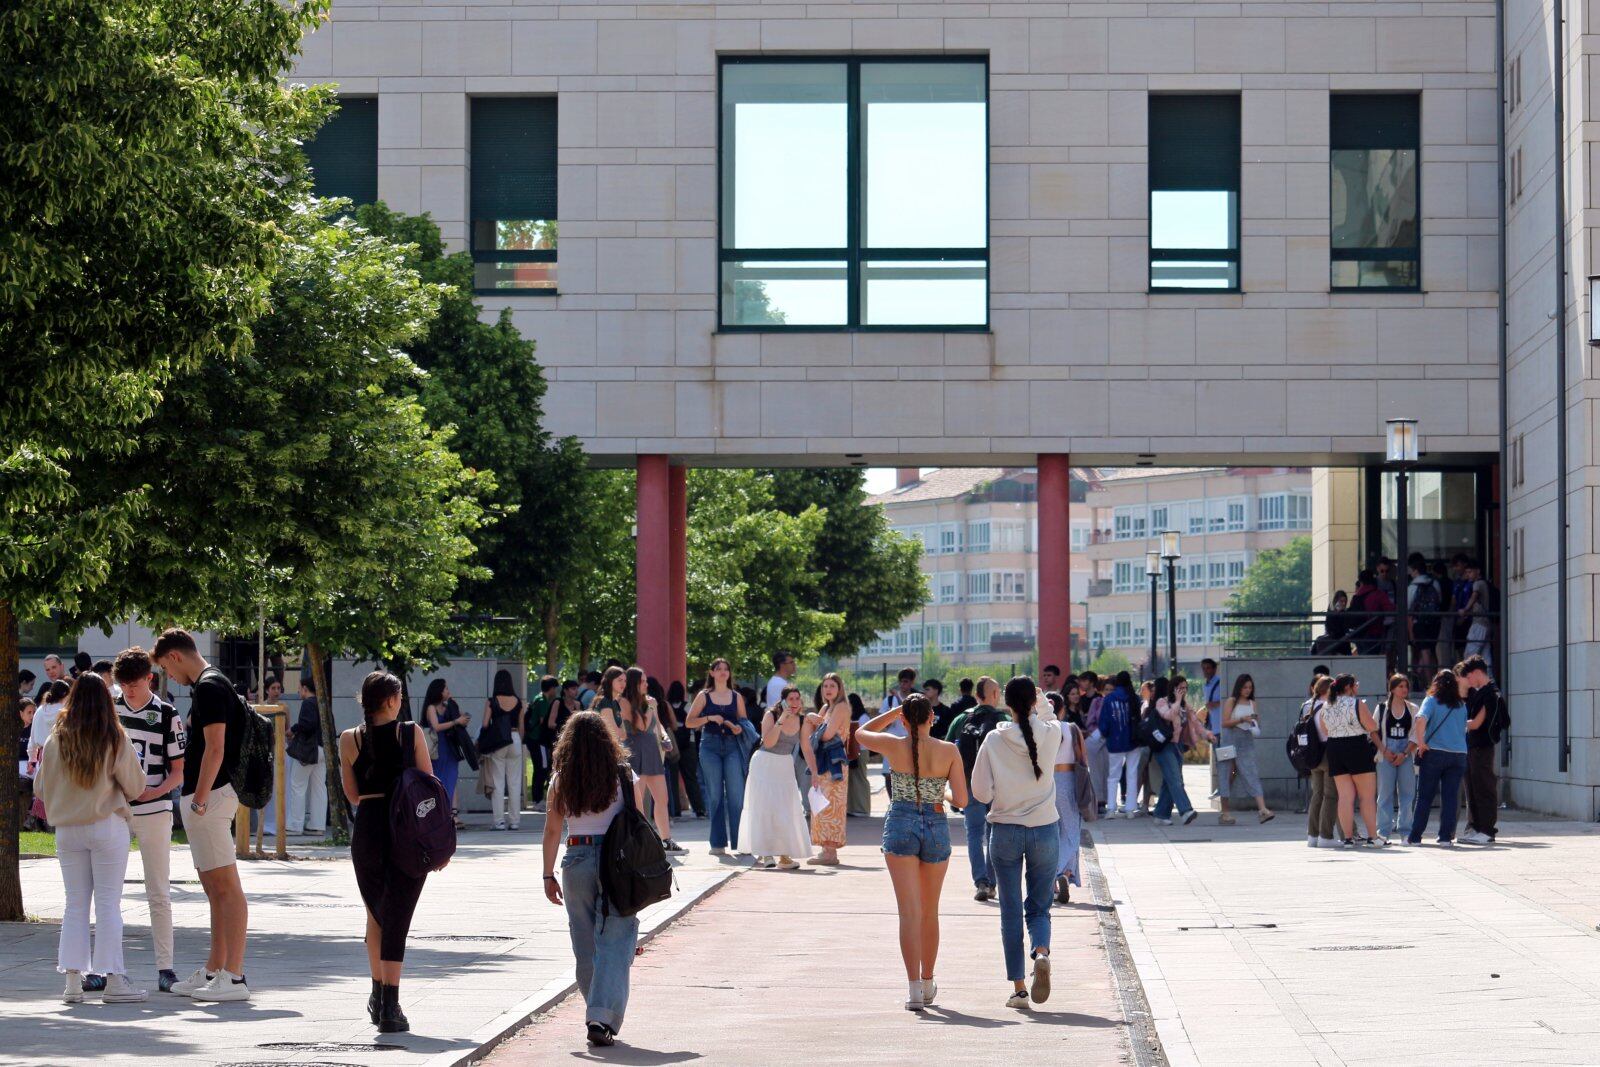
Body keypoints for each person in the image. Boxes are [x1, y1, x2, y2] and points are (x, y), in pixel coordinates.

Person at [34, 674, 148, 1004]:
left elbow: (41, 786)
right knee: (109, 903)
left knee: (75, 904)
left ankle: (72, 982)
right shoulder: (114, 735)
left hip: (68, 828)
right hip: (106, 823)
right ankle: (114, 979)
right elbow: (136, 786)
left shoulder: (57, 737)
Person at [152, 628, 252, 1002]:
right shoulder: (212, 685)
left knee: (226, 888)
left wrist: (199, 800)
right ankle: (216, 969)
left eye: (166, 668)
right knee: (215, 889)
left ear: (175, 657)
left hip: (209, 797)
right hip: (207, 796)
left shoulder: (210, 687)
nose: (170, 677)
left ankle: (235, 976)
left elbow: (215, 749)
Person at [338, 670, 436, 1033]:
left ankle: (378, 994)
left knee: (376, 913)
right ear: (393, 700)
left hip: (367, 829)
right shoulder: (410, 732)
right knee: (397, 916)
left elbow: (351, 795)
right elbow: (427, 782)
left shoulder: (349, 739)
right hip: (405, 830)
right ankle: (391, 1006)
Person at [857, 693, 967, 1011]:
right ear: (932, 718)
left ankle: (914, 990)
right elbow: (961, 799)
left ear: (904, 719)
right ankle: (929, 979)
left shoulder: (894, 745)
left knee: (908, 912)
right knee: (930, 912)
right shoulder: (948, 750)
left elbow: (860, 733)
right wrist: (939, 791)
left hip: (901, 820)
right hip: (935, 822)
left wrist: (893, 713)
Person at [542, 711, 645, 1048]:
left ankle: (596, 1013)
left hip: (576, 859)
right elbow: (640, 823)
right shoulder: (624, 775)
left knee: (585, 944)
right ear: (606, 739)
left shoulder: (561, 779)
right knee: (615, 941)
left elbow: (552, 831)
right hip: (617, 862)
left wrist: (547, 873)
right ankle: (599, 1017)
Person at [972, 676, 1062, 1010]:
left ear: (1005, 703)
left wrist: (1000, 795)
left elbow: (980, 791)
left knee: (1009, 910)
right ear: (1033, 702)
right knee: (1039, 906)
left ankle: (1020, 989)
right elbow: (1050, 717)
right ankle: (1041, 951)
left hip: (1005, 830)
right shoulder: (1053, 734)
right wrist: (1041, 702)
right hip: (1044, 828)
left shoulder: (995, 739)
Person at [112, 648, 186, 993]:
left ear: (149, 679)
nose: (128, 691)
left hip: (154, 810)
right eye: (123, 684)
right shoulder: (111, 712)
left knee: (158, 890)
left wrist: (152, 794)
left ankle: (165, 967)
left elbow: (178, 772)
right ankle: (107, 967)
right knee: (108, 890)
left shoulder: (168, 714)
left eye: (134, 684)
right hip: (116, 810)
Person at [738, 687, 818, 869]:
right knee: (765, 807)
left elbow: (806, 748)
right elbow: (769, 742)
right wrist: (781, 719)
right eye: (791, 699)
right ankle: (766, 854)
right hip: (764, 764)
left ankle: (784, 855)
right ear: (783, 701)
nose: (795, 703)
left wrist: (814, 771)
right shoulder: (771, 716)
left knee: (785, 808)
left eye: (798, 699)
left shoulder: (803, 720)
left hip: (784, 766)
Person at [684, 659, 749, 856]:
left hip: (732, 746)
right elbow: (689, 722)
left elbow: (744, 722)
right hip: (710, 746)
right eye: (718, 669)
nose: (722, 672)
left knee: (736, 796)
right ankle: (717, 843)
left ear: (729, 673)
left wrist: (739, 728)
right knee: (715, 795)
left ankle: (741, 843)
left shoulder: (736, 696)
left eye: (726, 669)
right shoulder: (704, 696)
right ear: (711, 673)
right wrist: (708, 718)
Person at [619, 666, 683, 853]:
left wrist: (664, 737)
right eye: (643, 681)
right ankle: (637, 839)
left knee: (661, 798)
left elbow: (657, 724)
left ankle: (666, 839)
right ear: (635, 683)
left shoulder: (648, 702)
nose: (647, 684)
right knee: (637, 800)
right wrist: (651, 707)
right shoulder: (625, 702)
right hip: (635, 750)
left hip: (652, 751)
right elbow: (642, 724)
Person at [953, 676, 1004, 901]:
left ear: (976, 696)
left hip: (969, 782)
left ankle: (980, 881)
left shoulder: (961, 719)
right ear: (994, 695)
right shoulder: (1004, 720)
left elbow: (949, 751)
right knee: (993, 832)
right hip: (997, 785)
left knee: (973, 833)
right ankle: (992, 883)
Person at [1317, 674, 1383, 846]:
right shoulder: (1356, 703)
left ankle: (1347, 838)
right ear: (1349, 687)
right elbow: (1372, 726)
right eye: (1356, 684)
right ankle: (1372, 837)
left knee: (1345, 797)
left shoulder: (1326, 705)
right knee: (1366, 796)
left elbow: (1325, 730)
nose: (1357, 687)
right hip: (1356, 747)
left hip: (1334, 749)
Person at [1407, 668, 1471, 847]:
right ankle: (1445, 838)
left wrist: (1421, 743)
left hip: (1435, 752)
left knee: (1425, 797)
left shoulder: (1432, 700)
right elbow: (1463, 729)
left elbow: (1420, 720)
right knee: (1450, 797)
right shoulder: (1461, 705)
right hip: (1458, 755)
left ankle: (1415, 837)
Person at [1460, 655, 1506, 845]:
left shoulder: (1491, 693)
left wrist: (1459, 723)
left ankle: (1487, 830)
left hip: (1483, 747)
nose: (1468, 681)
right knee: (1472, 787)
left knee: (1484, 787)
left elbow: (1478, 723)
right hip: (1472, 746)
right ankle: (1477, 827)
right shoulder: (1478, 693)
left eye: (1469, 676)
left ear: (1477, 672)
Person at [1216, 674, 1273, 825]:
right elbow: (1224, 723)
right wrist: (1242, 719)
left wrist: (1254, 723)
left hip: (1246, 740)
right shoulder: (1231, 701)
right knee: (1226, 774)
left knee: (1251, 772)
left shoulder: (1252, 703)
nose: (1247, 690)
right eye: (1245, 687)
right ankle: (1225, 812)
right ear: (1239, 687)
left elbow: (1255, 721)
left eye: (1250, 687)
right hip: (1229, 740)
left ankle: (1262, 809)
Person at [807, 673, 852, 864]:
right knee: (820, 803)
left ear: (840, 688)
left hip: (835, 760)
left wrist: (814, 721)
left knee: (833, 805)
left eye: (832, 686)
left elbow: (826, 735)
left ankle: (830, 852)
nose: (828, 689)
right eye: (825, 686)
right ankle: (826, 849)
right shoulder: (827, 707)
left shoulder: (841, 707)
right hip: (822, 759)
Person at [1147, 676, 1201, 826]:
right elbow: (1169, 715)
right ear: (1173, 688)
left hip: (1177, 746)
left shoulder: (1185, 705)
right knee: (1176, 780)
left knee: (1169, 781)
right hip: (1164, 746)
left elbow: (1195, 722)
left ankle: (1161, 814)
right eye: (1180, 688)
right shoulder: (1162, 702)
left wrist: (1207, 734)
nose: (1183, 691)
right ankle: (1185, 811)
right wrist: (1177, 701)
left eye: (1185, 688)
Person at [1051, 692, 1087, 904]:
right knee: (1071, 830)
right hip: (1068, 779)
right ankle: (1061, 872)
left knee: (1050, 832)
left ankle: (1054, 880)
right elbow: (1084, 759)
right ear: (1062, 709)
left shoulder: (1039, 730)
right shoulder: (1071, 729)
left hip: (1046, 782)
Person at [1374, 674, 1418, 840]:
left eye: (1406, 686)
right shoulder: (1382, 708)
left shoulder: (1413, 708)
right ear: (1392, 688)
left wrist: (1405, 753)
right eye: (1400, 686)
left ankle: (1405, 831)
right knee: (1385, 793)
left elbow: (1416, 734)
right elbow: (1373, 731)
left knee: (1407, 794)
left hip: (1405, 752)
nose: (1404, 689)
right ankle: (1383, 831)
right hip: (1386, 753)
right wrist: (1384, 750)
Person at [481, 670, 526, 831]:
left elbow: (485, 724)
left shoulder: (491, 701)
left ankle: (498, 821)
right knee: (514, 783)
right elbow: (522, 726)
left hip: (498, 742)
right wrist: (520, 742)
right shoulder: (519, 702)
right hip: (515, 739)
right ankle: (514, 821)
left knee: (498, 783)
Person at [422, 679, 469, 828]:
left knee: (452, 779)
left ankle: (452, 814)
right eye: (446, 689)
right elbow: (436, 726)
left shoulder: (447, 706)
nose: (448, 691)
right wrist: (456, 722)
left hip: (450, 748)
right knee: (440, 779)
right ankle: (440, 813)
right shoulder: (431, 708)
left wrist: (455, 706)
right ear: (439, 691)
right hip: (438, 749)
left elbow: (464, 719)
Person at [284, 677, 328, 835]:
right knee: (319, 788)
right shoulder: (322, 702)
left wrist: (293, 730)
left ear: (305, 688)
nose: (298, 691)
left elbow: (307, 724)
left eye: (299, 687)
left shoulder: (308, 703)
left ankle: (295, 825)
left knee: (297, 786)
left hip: (308, 750)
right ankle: (318, 825)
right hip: (322, 748)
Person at [1301, 674, 1339, 847]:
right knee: (1330, 795)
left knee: (1317, 795)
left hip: (1311, 754)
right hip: (1327, 752)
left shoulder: (1307, 705)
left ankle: (1312, 835)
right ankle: (1326, 836)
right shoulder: (1327, 706)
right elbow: (1329, 730)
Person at [1100, 672, 1141, 817]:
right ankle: (1130, 808)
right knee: (1132, 774)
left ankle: (1111, 808)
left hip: (1115, 741)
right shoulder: (1135, 698)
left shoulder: (1109, 699)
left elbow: (1104, 722)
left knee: (1113, 775)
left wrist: (1106, 734)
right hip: (1134, 741)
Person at [666, 680, 704, 819]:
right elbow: (697, 725)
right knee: (691, 778)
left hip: (672, 745)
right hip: (689, 744)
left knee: (672, 779)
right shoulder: (688, 706)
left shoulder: (666, 705)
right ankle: (699, 809)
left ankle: (675, 810)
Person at [1406, 553, 1443, 677]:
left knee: (1424, 651)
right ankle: (1435, 681)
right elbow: (1440, 600)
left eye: (1411, 570)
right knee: (1432, 650)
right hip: (1434, 622)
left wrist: (1410, 631)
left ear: (1415, 571)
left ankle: (1428, 683)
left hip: (1420, 623)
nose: (1410, 572)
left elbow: (1408, 610)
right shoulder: (1435, 583)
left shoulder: (1412, 587)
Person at [528, 676, 561, 811]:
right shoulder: (543, 702)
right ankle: (538, 799)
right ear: (552, 688)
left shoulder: (537, 698)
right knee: (541, 768)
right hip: (538, 740)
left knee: (541, 767)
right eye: (555, 688)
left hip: (533, 739)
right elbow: (543, 721)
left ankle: (538, 798)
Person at [1459, 560, 1496, 665]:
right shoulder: (1484, 583)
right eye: (1467, 572)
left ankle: (1467, 680)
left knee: (1469, 655)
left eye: (1470, 572)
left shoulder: (1478, 583)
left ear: (1478, 571)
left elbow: (1474, 596)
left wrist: (1465, 610)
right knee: (1485, 657)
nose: (1468, 575)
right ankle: (1490, 680)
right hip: (1486, 624)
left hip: (1479, 624)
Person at [28, 678, 70, 767]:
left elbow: (32, 737)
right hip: (62, 756)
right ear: (65, 695)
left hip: (43, 756)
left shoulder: (39, 711)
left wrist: (32, 759)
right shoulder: (65, 712)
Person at [846, 692, 872, 817]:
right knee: (852, 780)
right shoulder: (853, 716)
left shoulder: (863, 717)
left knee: (860, 779)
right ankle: (853, 807)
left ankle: (862, 808)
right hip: (853, 750)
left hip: (861, 750)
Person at [1200, 658, 1223, 797]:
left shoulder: (1220, 683)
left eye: (1208, 668)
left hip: (1221, 728)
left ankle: (1224, 788)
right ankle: (1222, 788)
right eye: (1204, 668)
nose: (1206, 671)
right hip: (1213, 728)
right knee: (1219, 760)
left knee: (1224, 760)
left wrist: (1215, 704)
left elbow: (1226, 699)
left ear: (1214, 669)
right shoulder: (1206, 685)